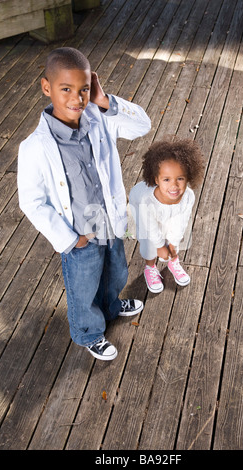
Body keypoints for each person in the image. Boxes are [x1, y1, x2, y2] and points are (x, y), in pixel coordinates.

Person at [17, 47, 151, 361]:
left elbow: (141, 126)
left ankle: (112, 306)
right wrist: (68, 239)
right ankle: (89, 332)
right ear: (46, 87)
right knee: (83, 287)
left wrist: (105, 101)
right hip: (80, 237)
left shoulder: (99, 118)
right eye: (66, 89)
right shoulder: (35, 147)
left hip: (111, 223)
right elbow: (32, 201)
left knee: (116, 273)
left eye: (84, 89)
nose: (77, 98)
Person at [129, 139, 204, 293]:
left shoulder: (188, 196)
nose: (174, 185)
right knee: (149, 243)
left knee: (173, 237)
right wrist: (159, 245)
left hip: (171, 215)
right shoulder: (145, 201)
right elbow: (150, 227)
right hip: (144, 215)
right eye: (167, 179)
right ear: (156, 180)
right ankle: (150, 267)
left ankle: (173, 262)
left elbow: (181, 222)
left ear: (188, 177)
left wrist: (172, 244)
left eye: (180, 178)